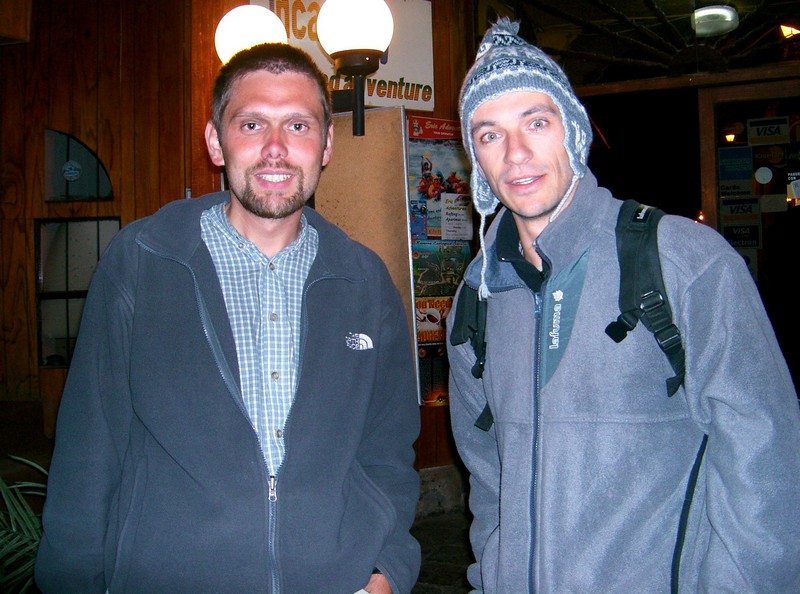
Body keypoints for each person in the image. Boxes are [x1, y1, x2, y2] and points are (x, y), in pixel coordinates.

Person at [35, 42, 420, 594]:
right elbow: (88, 453)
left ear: (326, 144)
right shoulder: (142, 260)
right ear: (216, 141)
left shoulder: (365, 280)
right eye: (252, 124)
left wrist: (387, 570)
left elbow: (387, 450)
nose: (275, 149)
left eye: (298, 126)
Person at [447, 18, 800, 593]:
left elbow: (766, 464)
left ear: (573, 133)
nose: (516, 153)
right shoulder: (478, 298)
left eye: (537, 122)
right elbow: (488, 475)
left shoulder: (686, 261)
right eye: (489, 134)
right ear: (476, 163)